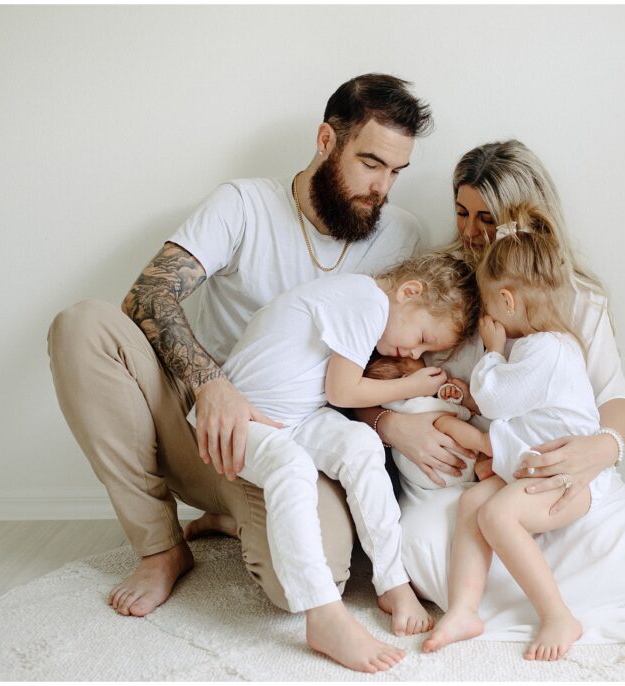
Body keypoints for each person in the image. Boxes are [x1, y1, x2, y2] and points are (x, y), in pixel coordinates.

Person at [362, 140, 625, 652]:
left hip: (547, 467)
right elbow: (369, 371)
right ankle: (477, 605)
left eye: (486, 218)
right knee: (425, 538)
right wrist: (389, 422)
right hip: (480, 469)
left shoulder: (574, 299)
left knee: (602, 543)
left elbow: (616, 401)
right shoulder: (442, 283)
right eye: (461, 212)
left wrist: (601, 449)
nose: (470, 232)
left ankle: (550, 608)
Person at [47, 73, 433, 619]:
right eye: (371, 164)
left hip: (297, 445)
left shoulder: (401, 235)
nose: (382, 187)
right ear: (327, 141)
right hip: (203, 429)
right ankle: (160, 548)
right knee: (83, 326)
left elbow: (384, 363)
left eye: (397, 171)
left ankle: (231, 519)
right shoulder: (244, 204)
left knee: (315, 585)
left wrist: (389, 424)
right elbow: (149, 294)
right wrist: (211, 384)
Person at [193, 252, 478, 672]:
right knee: (293, 468)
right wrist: (411, 383)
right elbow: (342, 391)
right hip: (247, 417)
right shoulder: (366, 299)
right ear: (409, 292)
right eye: (421, 337)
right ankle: (322, 614)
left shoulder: (372, 304)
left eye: (425, 351)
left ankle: (392, 581)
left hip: (298, 417)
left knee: (362, 443)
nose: (415, 352)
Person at [424, 219, 621, 661]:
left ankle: (556, 615)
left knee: (496, 515)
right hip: (538, 464)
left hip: (571, 480)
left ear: (507, 300)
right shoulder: (546, 347)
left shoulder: (546, 351)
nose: (488, 317)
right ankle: (463, 609)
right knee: (471, 505)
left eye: (491, 304)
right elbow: (527, 418)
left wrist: (493, 351)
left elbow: (495, 400)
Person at [363, 355, 476, 489]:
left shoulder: (389, 405)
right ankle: (482, 443)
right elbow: (445, 410)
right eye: (423, 368)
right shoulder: (416, 404)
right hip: (448, 468)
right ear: (406, 379)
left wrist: (443, 396)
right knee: (445, 421)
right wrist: (465, 410)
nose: (418, 356)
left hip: (421, 477)